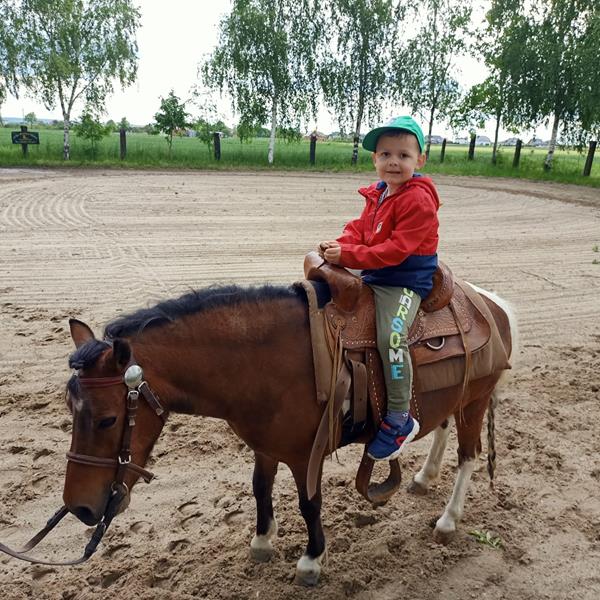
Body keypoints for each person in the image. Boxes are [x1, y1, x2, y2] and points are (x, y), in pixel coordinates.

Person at [318, 116, 440, 461]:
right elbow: (361, 228)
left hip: (403, 280)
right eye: (385, 154)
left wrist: (349, 255)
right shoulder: (379, 193)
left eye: (403, 155)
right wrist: (341, 244)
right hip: (376, 271)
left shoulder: (419, 201)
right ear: (375, 159)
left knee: (391, 336)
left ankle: (400, 417)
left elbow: (395, 251)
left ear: (420, 160)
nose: (393, 162)